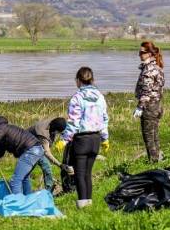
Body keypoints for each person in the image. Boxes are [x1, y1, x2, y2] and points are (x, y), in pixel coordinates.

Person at [58, 66, 109, 208]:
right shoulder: (100, 97)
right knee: (87, 173)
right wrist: (105, 138)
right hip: (96, 140)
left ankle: (82, 206)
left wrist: (64, 139)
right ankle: (89, 204)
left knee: (79, 174)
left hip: (82, 140)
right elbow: (104, 119)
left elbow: (74, 122)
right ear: (92, 80)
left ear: (78, 81)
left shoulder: (77, 98)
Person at [134, 41, 165, 162]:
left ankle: (153, 161)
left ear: (150, 53)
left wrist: (140, 107)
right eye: (139, 52)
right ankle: (158, 158)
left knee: (148, 136)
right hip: (157, 105)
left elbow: (146, 91)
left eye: (142, 52)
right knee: (154, 135)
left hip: (149, 107)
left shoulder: (148, 70)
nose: (140, 54)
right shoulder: (158, 68)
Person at [27, 117, 72, 194]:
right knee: (44, 166)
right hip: (29, 147)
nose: (59, 134)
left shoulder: (53, 124)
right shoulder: (42, 133)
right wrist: (60, 165)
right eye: (58, 132)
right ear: (55, 129)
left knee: (44, 168)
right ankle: (47, 193)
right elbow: (46, 152)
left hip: (38, 146)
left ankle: (48, 192)